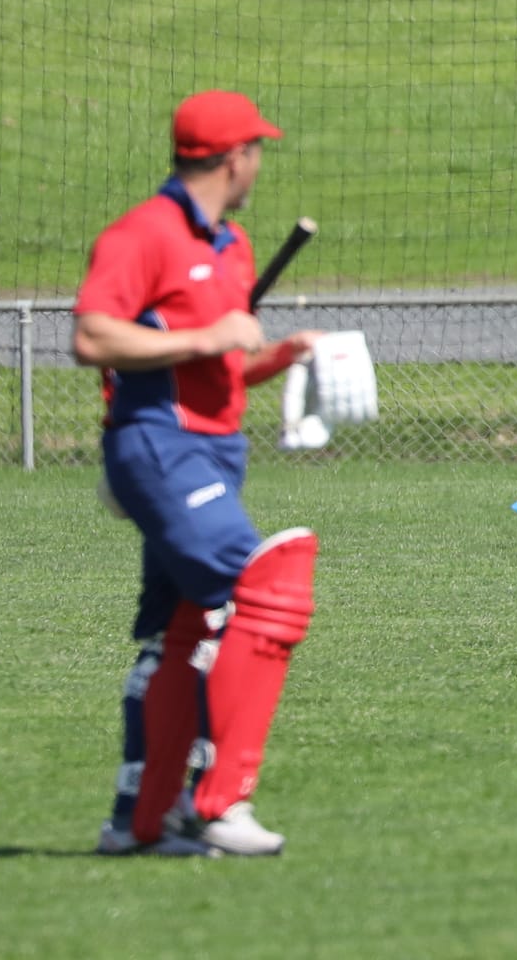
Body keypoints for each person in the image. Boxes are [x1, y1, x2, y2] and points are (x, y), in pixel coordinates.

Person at [76, 91, 326, 855]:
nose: (257, 165)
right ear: (234, 157)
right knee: (267, 587)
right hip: (159, 442)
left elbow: (217, 364)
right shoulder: (142, 233)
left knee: (182, 632)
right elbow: (93, 335)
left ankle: (143, 824)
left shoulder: (233, 243)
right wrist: (212, 333)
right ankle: (220, 805)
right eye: (257, 151)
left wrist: (276, 357)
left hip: (210, 447)